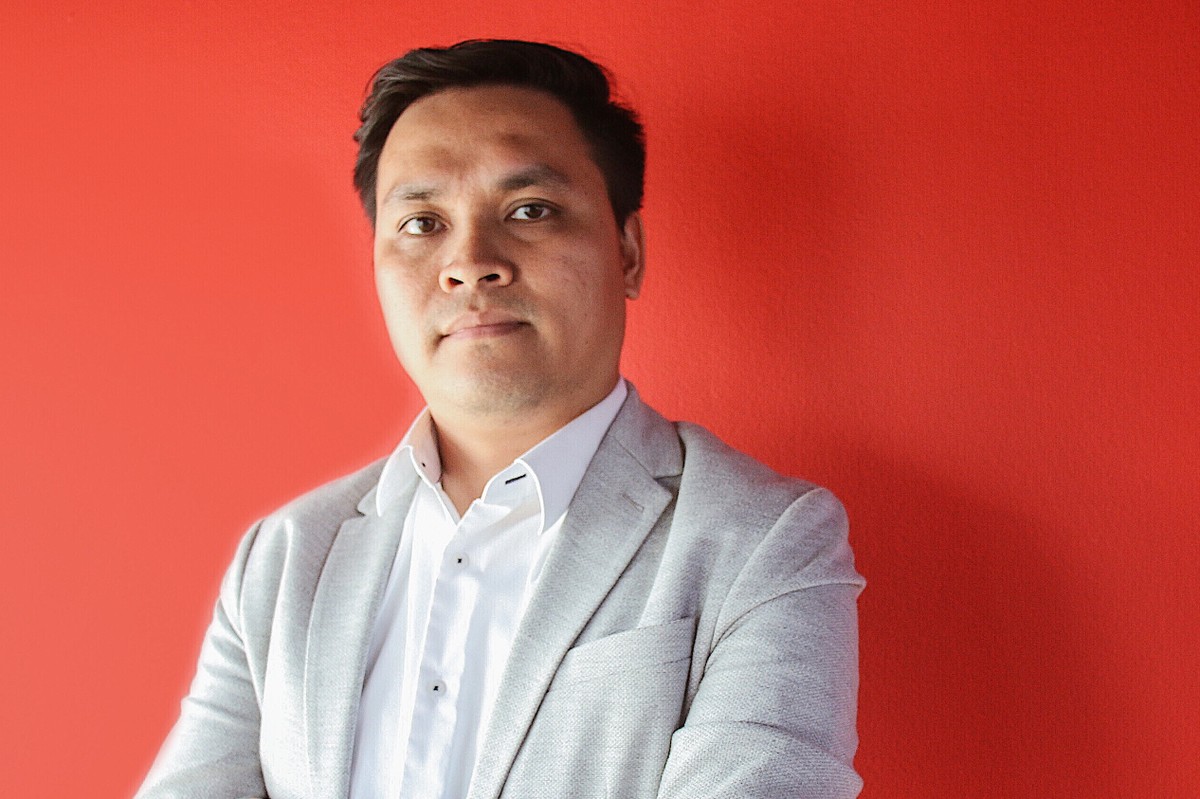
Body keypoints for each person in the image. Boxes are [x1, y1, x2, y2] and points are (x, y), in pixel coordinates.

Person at [136, 39, 865, 799]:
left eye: (530, 210)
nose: (470, 261)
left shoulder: (766, 540)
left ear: (627, 252)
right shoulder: (286, 557)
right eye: (422, 222)